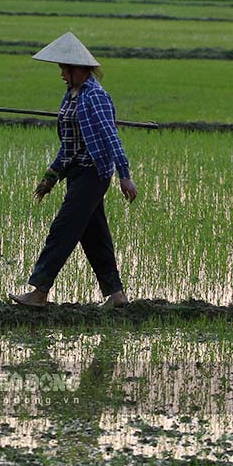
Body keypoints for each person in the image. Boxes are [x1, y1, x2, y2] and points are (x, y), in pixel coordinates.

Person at [9, 32, 138, 308]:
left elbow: (110, 137)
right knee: (95, 237)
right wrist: (51, 176)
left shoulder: (96, 98)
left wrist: (125, 176)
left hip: (93, 173)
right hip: (77, 173)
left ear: (79, 69)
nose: (61, 75)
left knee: (64, 229)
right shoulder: (71, 97)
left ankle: (39, 291)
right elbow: (69, 145)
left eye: (64, 70)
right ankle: (116, 295)